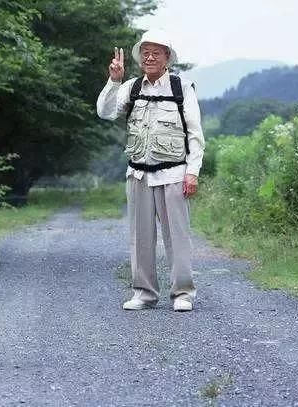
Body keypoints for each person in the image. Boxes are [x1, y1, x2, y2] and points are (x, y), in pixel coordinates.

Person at [96, 30, 205, 312]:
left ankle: (182, 293)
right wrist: (114, 80)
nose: (150, 56)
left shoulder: (183, 87)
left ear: (167, 56)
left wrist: (192, 172)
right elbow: (105, 112)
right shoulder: (131, 87)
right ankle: (144, 293)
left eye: (157, 52)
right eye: (145, 51)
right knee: (140, 237)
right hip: (138, 176)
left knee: (177, 237)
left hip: (173, 174)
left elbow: (195, 135)